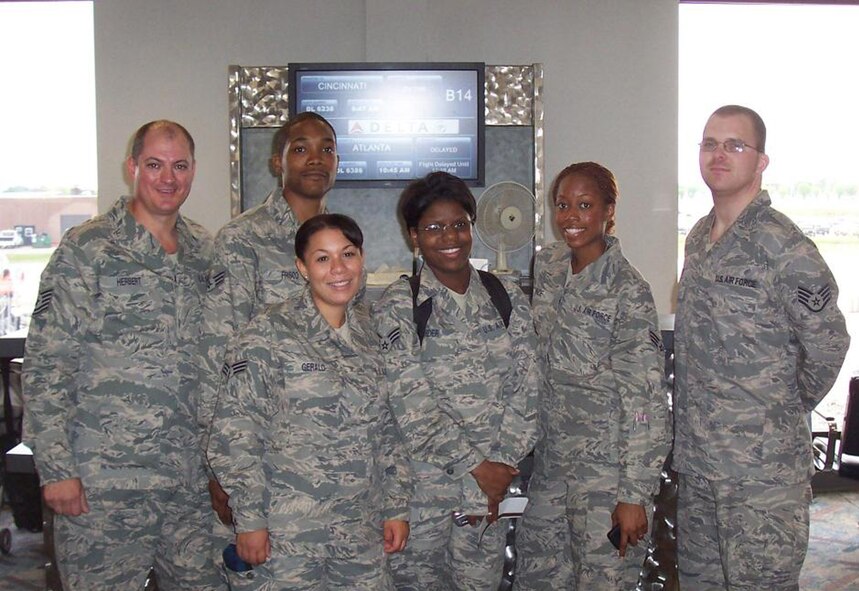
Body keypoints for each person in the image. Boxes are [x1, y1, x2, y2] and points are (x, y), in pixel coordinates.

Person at [23, 120, 223, 590]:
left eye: (179, 166)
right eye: (154, 164)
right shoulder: (88, 248)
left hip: (189, 485)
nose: (168, 178)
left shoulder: (205, 251)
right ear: (132, 167)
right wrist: (57, 470)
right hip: (105, 484)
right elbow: (47, 363)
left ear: (193, 170)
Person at [672, 105, 850, 590]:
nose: (719, 155)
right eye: (710, 144)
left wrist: (781, 408)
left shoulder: (783, 245)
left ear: (761, 161)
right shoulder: (699, 239)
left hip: (761, 475)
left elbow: (829, 341)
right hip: (700, 464)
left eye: (735, 145)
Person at [207, 213, 411, 590]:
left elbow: (388, 430)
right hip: (288, 535)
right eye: (322, 258)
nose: (338, 269)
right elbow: (237, 430)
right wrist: (250, 520)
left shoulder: (372, 334)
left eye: (347, 254)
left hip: (360, 530)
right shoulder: (267, 333)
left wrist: (396, 506)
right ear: (302, 267)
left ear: (362, 259)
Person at [372, 171, 539, 590]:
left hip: (487, 497)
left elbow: (529, 388)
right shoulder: (400, 304)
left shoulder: (505, 296)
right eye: (434, 228)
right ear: (414, 236)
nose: (450, 237)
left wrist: (500, 467)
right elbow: (408, 402)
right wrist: (478, 467)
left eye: (459, 224)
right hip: (420, 498)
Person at [513, 162, 670, 590]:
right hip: (552, 468)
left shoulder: (628, 290)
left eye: (585, 205)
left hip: (606, 477)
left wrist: (633, 495)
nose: (570, 217)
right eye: (563, 205)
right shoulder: (549, 266)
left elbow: (645, 400)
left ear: (609, 211)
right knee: (537, 578)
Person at [198, 112, 339, 578]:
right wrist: (221, 471)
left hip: (331, 461)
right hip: (265, 465)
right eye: (301, 149)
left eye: (326, 148)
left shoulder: (341, 241)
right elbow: (217, 357)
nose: (315, 158)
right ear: (278, 162)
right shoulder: (243, 240)